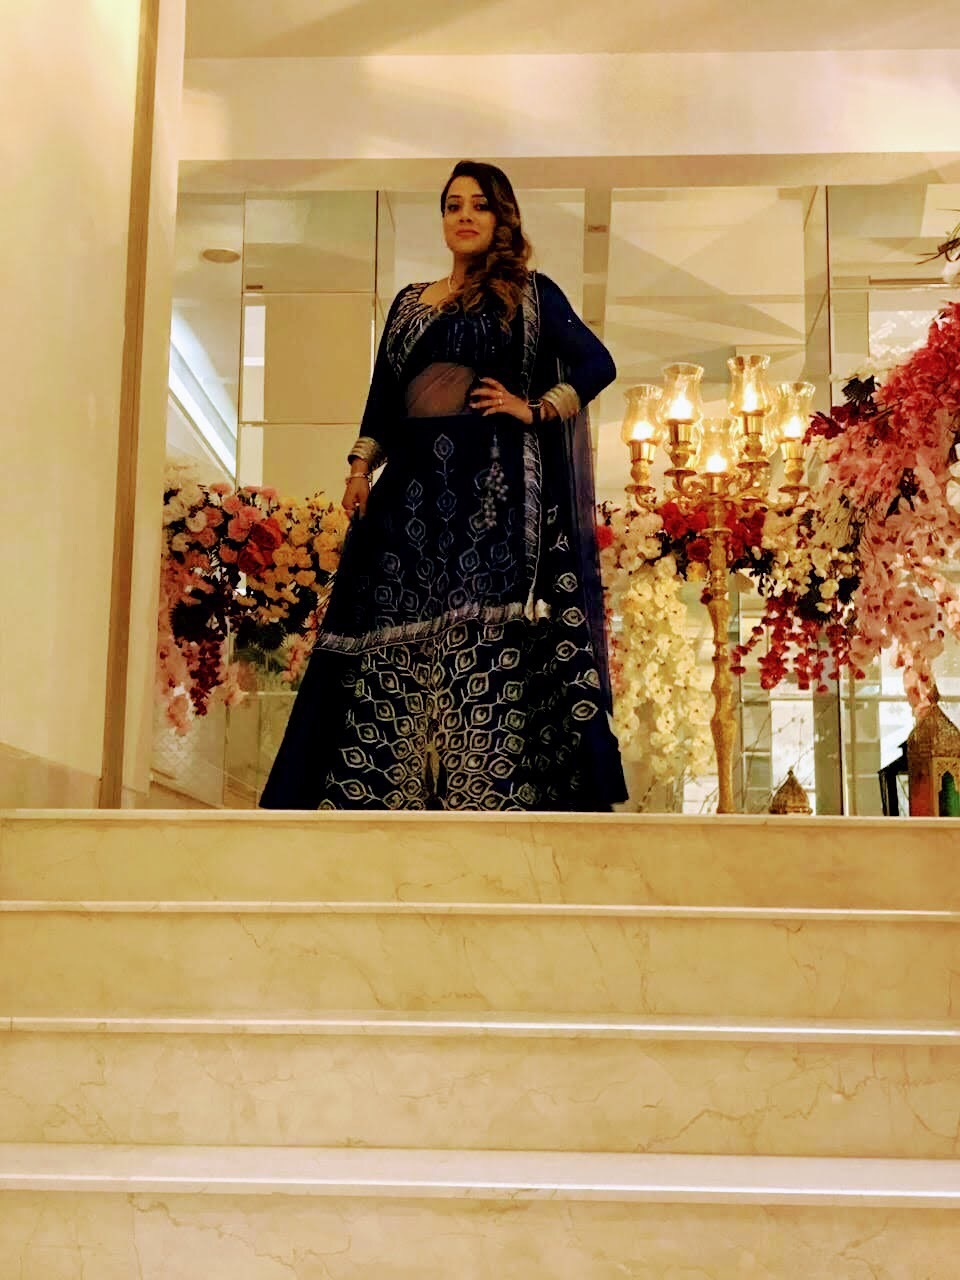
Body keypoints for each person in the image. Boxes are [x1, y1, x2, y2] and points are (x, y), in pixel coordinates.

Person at [260, 160, 626, 811]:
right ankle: (380, 796)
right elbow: (383, 399)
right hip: (410, 491)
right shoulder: (409, 302)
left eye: (479, 205)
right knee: (387, 630)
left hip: (491, 492)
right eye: (453, 205)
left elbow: (599, 363)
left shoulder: (531, 294)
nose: (464, 216)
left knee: (479, 638)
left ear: (500, 217)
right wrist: (359, 468)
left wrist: (535, 409)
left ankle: (487, 793)